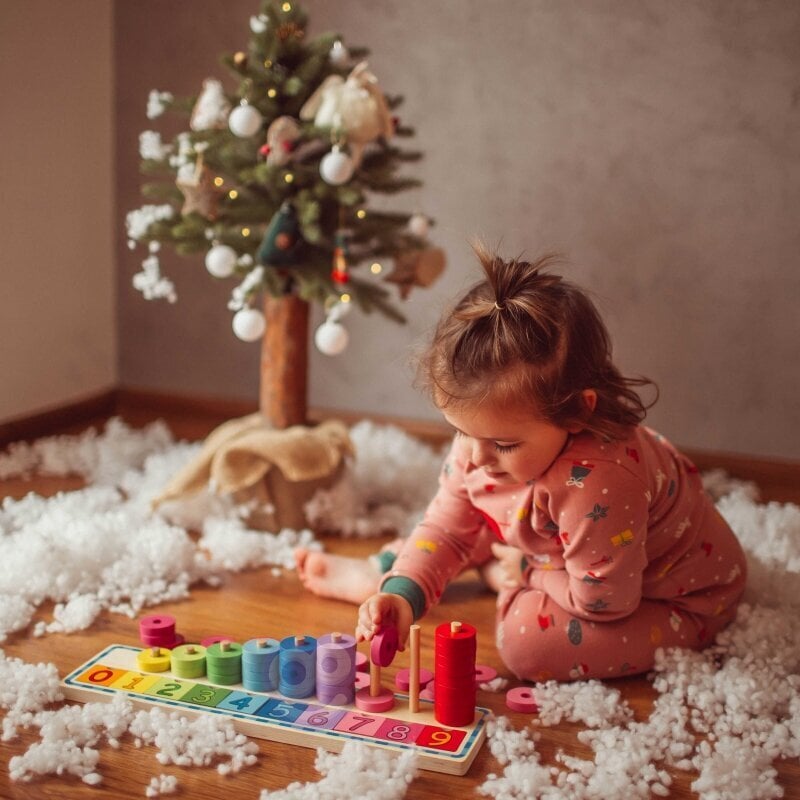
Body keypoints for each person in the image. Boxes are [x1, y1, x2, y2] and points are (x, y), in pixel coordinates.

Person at [296, 246, 747, 682]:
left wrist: (526, 573)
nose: (474, 457)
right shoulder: (484, 448)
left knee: (524, 642)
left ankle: (499, 570)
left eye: (503, 443)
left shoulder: (603, 484)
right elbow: (447, 528)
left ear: (577, 412)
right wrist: (402, 595)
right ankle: (388, 575)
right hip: (563, 548)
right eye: (461, 431)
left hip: (667, 597)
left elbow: (603, 603)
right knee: (456, 531)